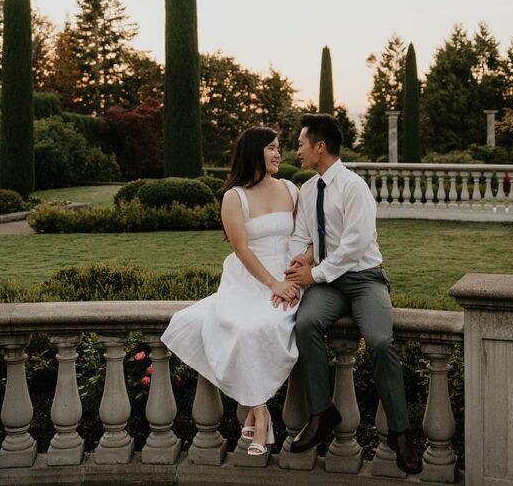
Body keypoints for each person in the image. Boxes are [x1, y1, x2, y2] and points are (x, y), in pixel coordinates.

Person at [278, 113, 423, 475]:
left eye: (301, 143)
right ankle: (321, 411)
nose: (297, 150)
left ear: (320, 146)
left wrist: (315, 273)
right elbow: (303, 234)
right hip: (327, 283)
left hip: (364, 279)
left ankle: (401, 433)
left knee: (378, 341)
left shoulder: (355, 187)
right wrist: (298, 262)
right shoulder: (309, 190)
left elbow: (355, 246)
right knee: (307, 322)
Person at [161, 126, 310, 456]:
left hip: (286, 276)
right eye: (271, 147)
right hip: (249, 280)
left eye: (279, 147)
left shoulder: (290, 189)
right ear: (253, 151)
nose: (278, 153)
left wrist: (297, 275)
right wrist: (272, 284)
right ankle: (261, 412)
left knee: (266, 328)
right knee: (239, 328)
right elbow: (242, 249)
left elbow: (306, 238)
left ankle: (256, 411)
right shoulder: (234, 196)